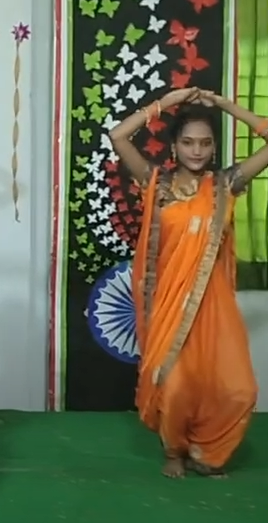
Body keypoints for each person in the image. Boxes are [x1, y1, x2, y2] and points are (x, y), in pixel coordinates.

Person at [107, 86, 264, 479]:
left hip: (215, 305)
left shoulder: (225, 185)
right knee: (175, 385)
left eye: (206, 143)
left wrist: (225, 105)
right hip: (170, 303)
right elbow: (118, 136)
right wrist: (169, 101)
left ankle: (206, 450)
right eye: (189, 142)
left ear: (214, 147)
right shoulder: (156, 183)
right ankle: (174, 450)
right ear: (175, 146)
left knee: (239, 388)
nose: (197, 150)